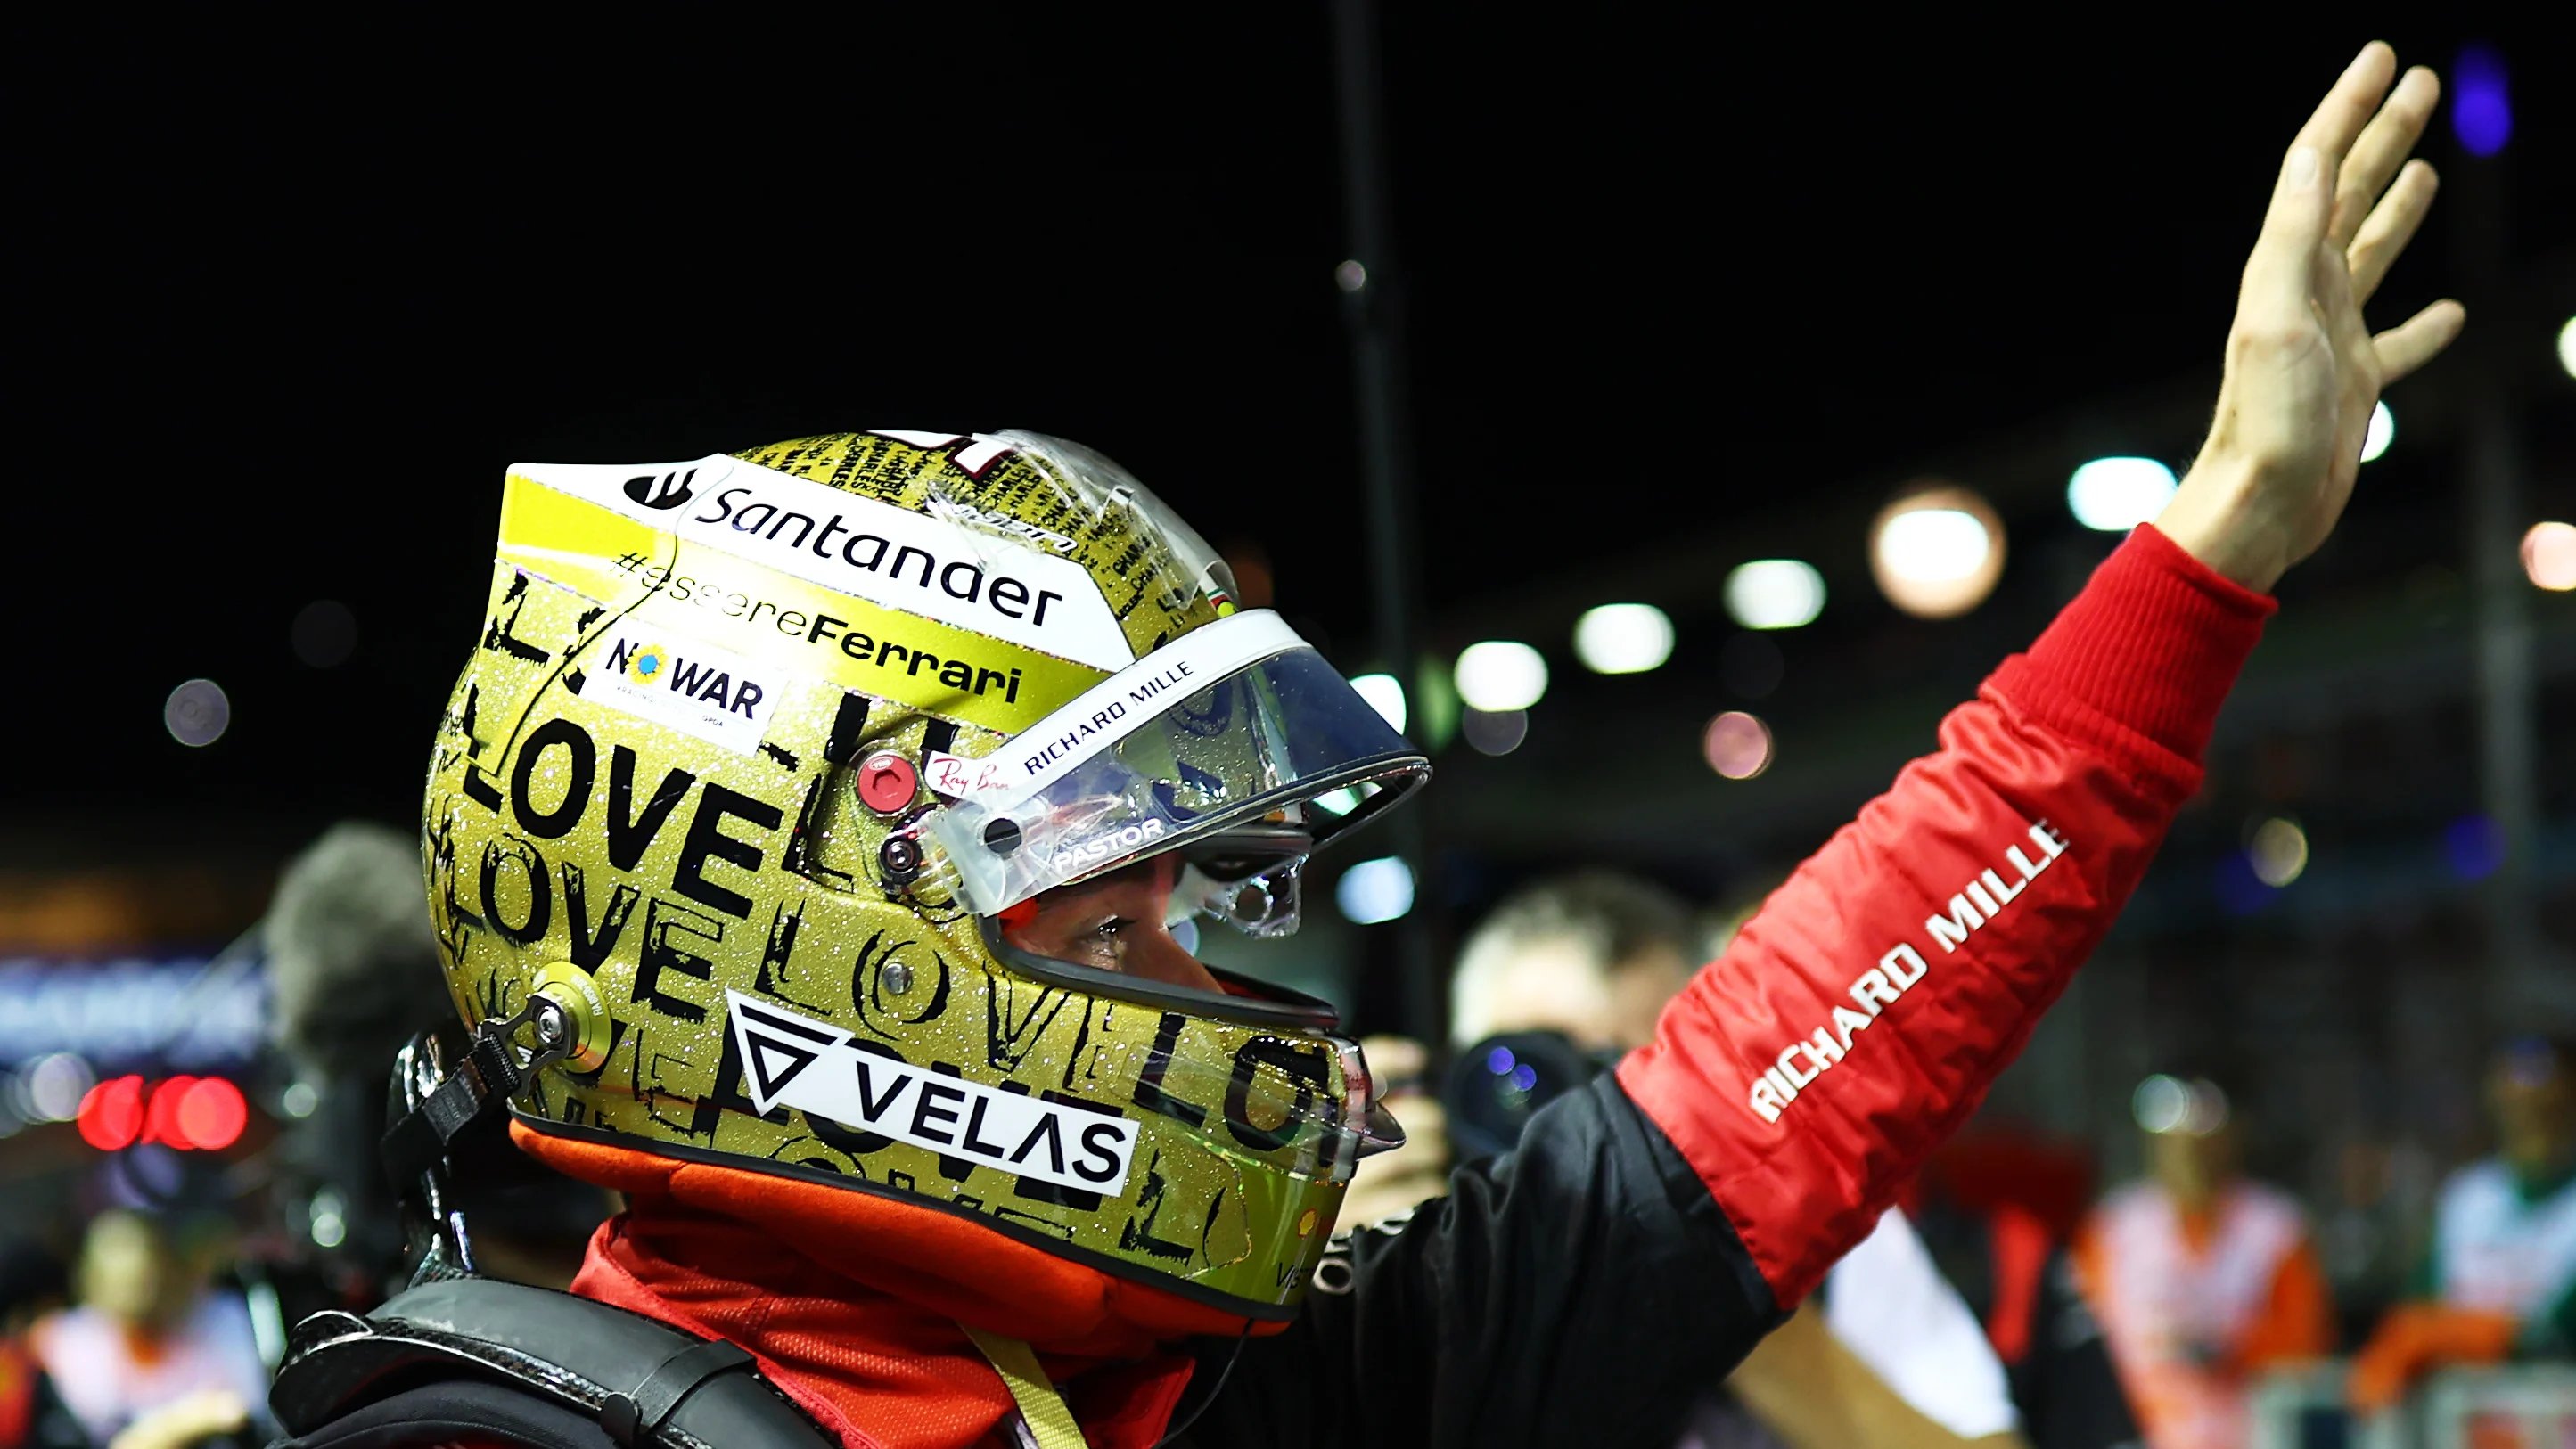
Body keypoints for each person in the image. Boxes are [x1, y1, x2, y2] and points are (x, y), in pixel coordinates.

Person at [268, 44, 2462, 1449]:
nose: (1225, 1000)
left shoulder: (1179, 1396)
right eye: (1116, 914)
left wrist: (2211, 546)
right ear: (814, 935)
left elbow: (1755, 1093)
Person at [2073, 1077, 2332, 1449]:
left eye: (2203, 1128)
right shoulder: (2114, 1229)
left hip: (2249, 1433)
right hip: (2136, 1434)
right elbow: (2081, 1347)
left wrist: (2234, 1351)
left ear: (2233, 1133)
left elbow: (2307, 1341)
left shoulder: (2275, 1228)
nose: (2188, 1149)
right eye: (2174, 1132)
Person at [2348, 1036, 2576, 1412]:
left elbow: (2552, 1335)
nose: (2530, 1113)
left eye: (2545, 1098)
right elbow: (2418, 1304)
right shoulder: (2469, 1197)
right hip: (2466, 1419)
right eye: (2516, 1095)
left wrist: (2448, 1335)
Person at [31, 1211, 268, 1449]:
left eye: (147, 1284)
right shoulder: (74, 1346)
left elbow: (246, 1413)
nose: (141, 1303)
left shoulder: (223, 1319)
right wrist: (184, 1422)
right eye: (123, 1289)